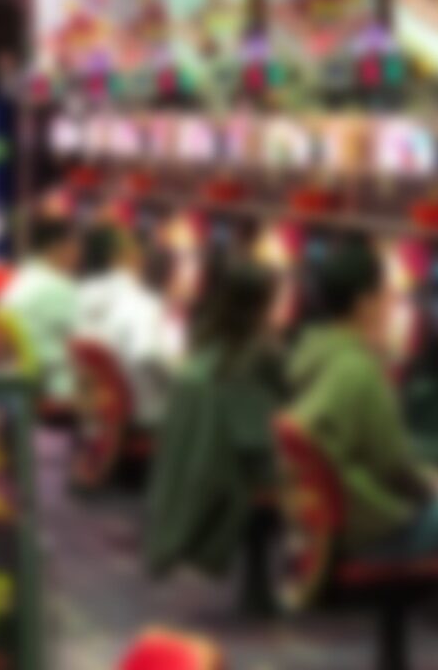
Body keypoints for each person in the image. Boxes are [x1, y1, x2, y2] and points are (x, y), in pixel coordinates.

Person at [287, 239, 438, 670]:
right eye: (388, 295)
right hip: (369, 529)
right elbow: (395, 465)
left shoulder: (312, 352)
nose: (395, 305)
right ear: (364, 304)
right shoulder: (357, 368)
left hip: (324, 527)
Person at [146, 259, 283, 612]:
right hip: (240, 469)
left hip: (207, 465)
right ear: (261, 305)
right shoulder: (261, 353)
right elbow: (288, 406)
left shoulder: (202, 341)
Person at [75, 229, 185, 426]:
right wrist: (181, 374)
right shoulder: (144, 306)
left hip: (102, 414)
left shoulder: (84, 296)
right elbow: (147, 354)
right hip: (146, 415)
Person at [0, 216, 81, 403]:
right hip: (54, 396)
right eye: (75, 245)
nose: (79, 254)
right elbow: (83, 343)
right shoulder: (58, 286)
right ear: (58, 246)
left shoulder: (15, 283)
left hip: (17, 392)